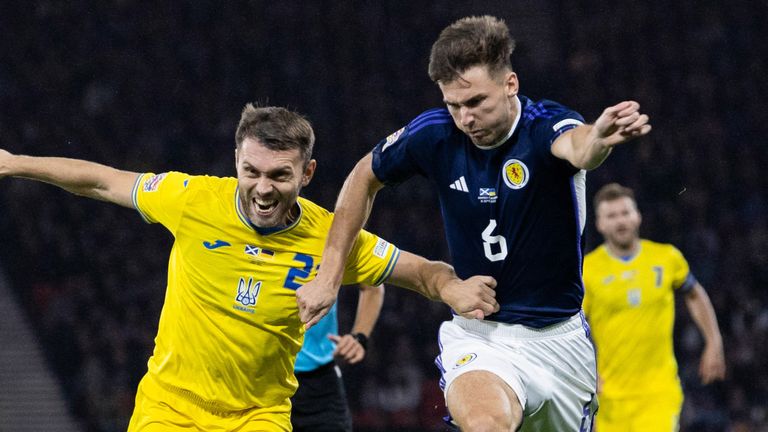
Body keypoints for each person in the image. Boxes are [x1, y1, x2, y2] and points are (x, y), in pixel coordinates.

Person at [0, 104, 499, 431]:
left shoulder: (332, 238)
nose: (263, 188)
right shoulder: (193, 198)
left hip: (257, 416)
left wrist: (451, 288)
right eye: (251, 171)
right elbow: (101, 181)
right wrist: (15, 162)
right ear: (235, 161)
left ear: (307, 173)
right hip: (169, 408)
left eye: (280, 175)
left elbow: (418, 270)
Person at [297, 15, 652, 431]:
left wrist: (600, 138)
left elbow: (580, 146)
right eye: (454, 105)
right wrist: (329, 273)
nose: (465, 118)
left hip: (561, 344)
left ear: (510, 84)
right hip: (482, 337)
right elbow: (363, 176)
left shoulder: (543, 126)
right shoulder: (435, 134)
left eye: (476, 102)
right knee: (486, 424)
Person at [582, 182, 726, 431]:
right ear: (599, 223)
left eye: (625, 213)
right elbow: (576, 325)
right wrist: (585, 371)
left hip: (659, 393)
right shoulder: (588, 271)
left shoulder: (666, 258)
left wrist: (714, 341)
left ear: (637, 216)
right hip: (608, 397)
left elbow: (694, 294)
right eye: (612, 216)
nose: (620, 221)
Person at [291, 283, 384, 432]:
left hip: (319, 382)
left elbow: (372, 286)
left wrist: (359, 337)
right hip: (258, 381)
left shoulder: (334, 258)